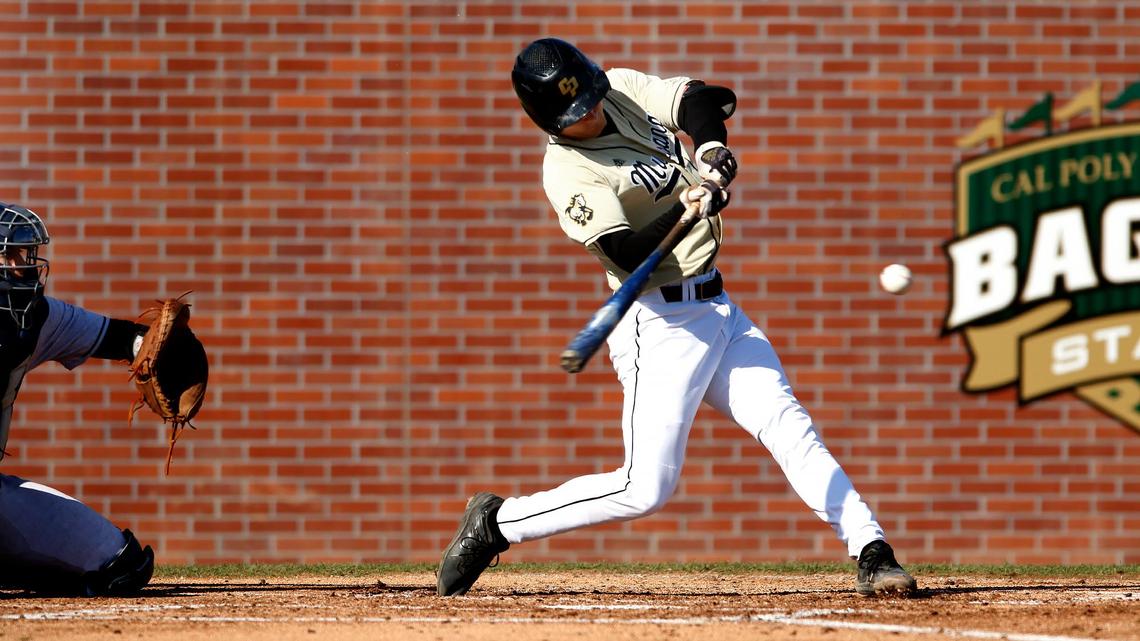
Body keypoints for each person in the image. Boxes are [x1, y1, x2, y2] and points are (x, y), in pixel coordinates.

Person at [436, 38, 917, 598]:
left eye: (590, 98)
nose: (591, 111)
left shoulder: (616, 88)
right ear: (549, 121)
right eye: (576, 112)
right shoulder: (568, 173)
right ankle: (498, 523)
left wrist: (710, 150)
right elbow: (626, 253)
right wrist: (685, 208)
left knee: (789, 426)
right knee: (646, 488)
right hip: (657, 325)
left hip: (719, 307)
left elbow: (703, 101)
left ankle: (871, 549)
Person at [0, 202, 157, 596]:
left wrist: (151, 346)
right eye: (8, 254)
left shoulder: (35, 319)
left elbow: (118, 338)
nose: (24, 267)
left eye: (26, 254)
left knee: (117, 561)